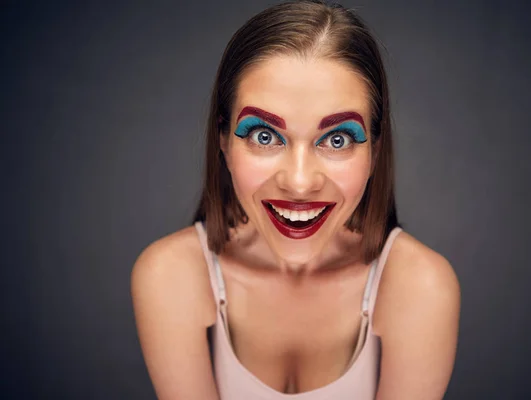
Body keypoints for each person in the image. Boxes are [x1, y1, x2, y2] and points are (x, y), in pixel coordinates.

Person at [131, 1, 460, 399]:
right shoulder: (172, 276)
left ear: (374, 150)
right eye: (265, 136)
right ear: (223, 139)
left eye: (337, 140)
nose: (300, 182)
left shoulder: (419, 287)